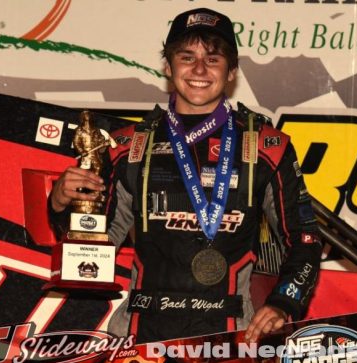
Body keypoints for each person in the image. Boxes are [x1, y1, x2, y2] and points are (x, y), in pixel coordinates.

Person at [49, 7, 322, 344]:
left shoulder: (266, 146)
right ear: (168, 66)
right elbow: (97, 241)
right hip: (140, 336)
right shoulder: (127, 146)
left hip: (230, 335)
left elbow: (305, 238)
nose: (199, 69)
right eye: (186, 56)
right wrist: (61, 205)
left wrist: (285, 301)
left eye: (214, 58)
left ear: (232, 70)